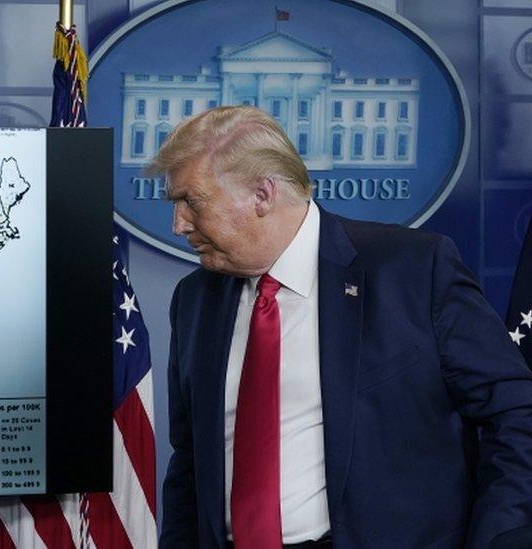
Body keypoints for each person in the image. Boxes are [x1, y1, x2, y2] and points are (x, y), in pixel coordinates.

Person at [152, 106, 532, 549]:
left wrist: (498, 540)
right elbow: (189, 464)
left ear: (262, 194)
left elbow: (516, 414)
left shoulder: (413, 270)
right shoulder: (195, 301)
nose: (179, 225)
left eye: (191, 202)